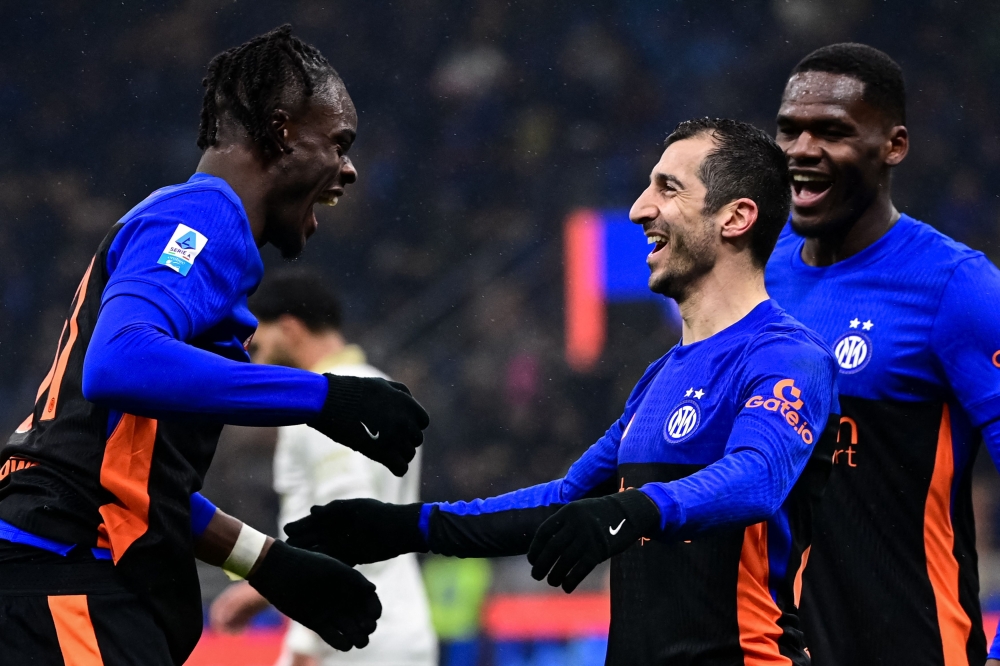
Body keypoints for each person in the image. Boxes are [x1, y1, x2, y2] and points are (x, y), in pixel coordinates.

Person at [283, 118, 841, 665]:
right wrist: (409, 526)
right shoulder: (659, 379)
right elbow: (566, 500)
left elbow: (759, 476)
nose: (639, 207)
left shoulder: (788, 356)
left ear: (736, 217)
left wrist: (633, 510)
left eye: (668, 188)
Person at [0, 25, 429, 666]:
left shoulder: (200, 231)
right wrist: (323, 397)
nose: (349, 168)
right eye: (338, 143)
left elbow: (132, 470)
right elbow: (118, 360)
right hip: (67, 571)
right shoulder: (204, 217)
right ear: (283, 132)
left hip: (56, 567)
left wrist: (268, 563)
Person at [766, 43, 1000, 666]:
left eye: (833, 132)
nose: (801, 150)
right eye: (789, 130)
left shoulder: (957, 287)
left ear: (893, 145)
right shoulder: (762, 272)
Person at [209, 269, 437, 666]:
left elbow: (342, 527)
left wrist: (305, 643)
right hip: (402, 622)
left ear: (290, 329)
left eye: (258, 345)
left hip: (352, 638)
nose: (253, 357)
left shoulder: (324, 408)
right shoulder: (383, 391)